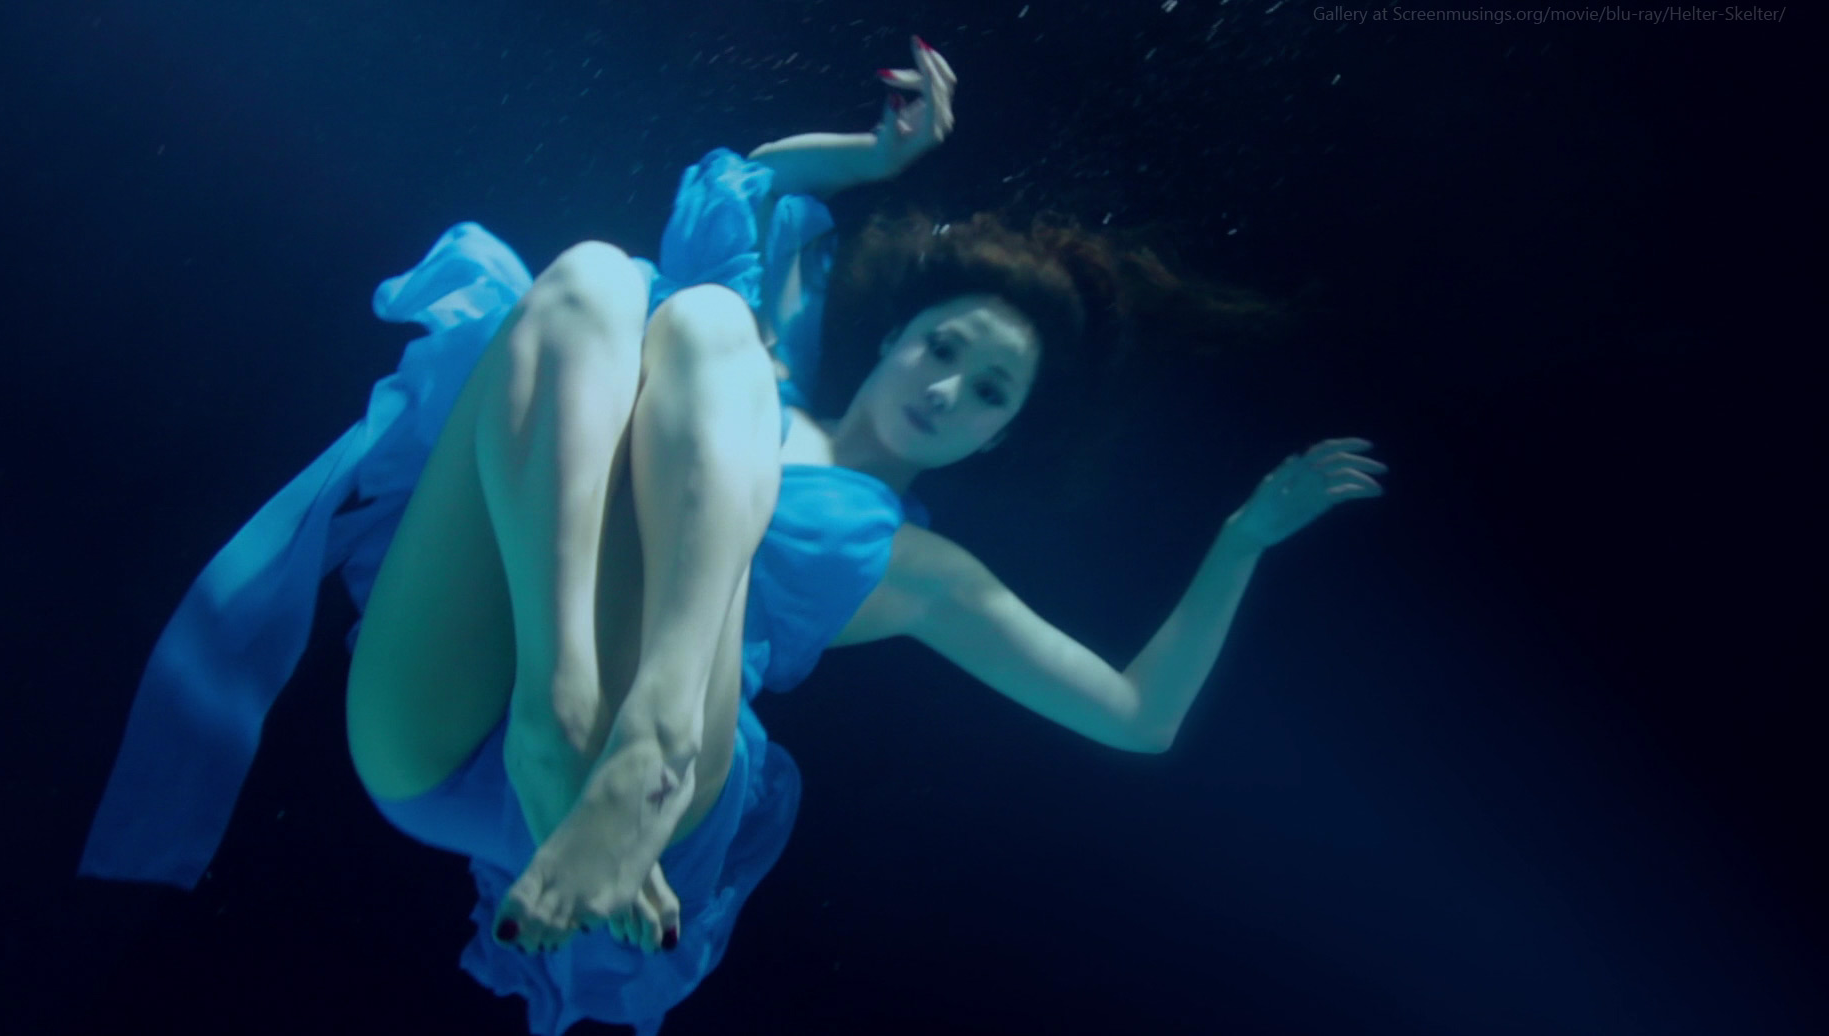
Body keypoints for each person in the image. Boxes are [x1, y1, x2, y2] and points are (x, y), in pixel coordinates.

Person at [78, 35, 1385, 1036]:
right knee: (601, 275)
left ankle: (633, 738)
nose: (947, 389)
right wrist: (877, 161)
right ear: (894, 336)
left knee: (711, 334)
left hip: (668, 766)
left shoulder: (926, 570)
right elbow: (745, 183)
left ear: (996, 442)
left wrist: (1243, 537)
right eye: (945, 350)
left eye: (988, 396)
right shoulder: (761, 362)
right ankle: (561, 706)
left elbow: (1138, 714)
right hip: (474, 720)